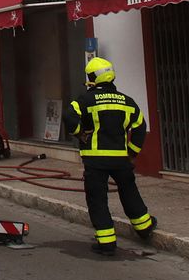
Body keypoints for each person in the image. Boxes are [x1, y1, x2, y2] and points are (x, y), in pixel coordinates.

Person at [63, 57, 157, 257]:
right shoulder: (126, 100)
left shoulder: (85, 100)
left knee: (97, 199)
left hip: (95, 160)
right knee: (129, 191)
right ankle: (144, 227)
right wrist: (132, 151)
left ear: (92, 78)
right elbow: (140, 126)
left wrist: (80, 133)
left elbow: (69, 116)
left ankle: (106, 242)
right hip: (121, 160)